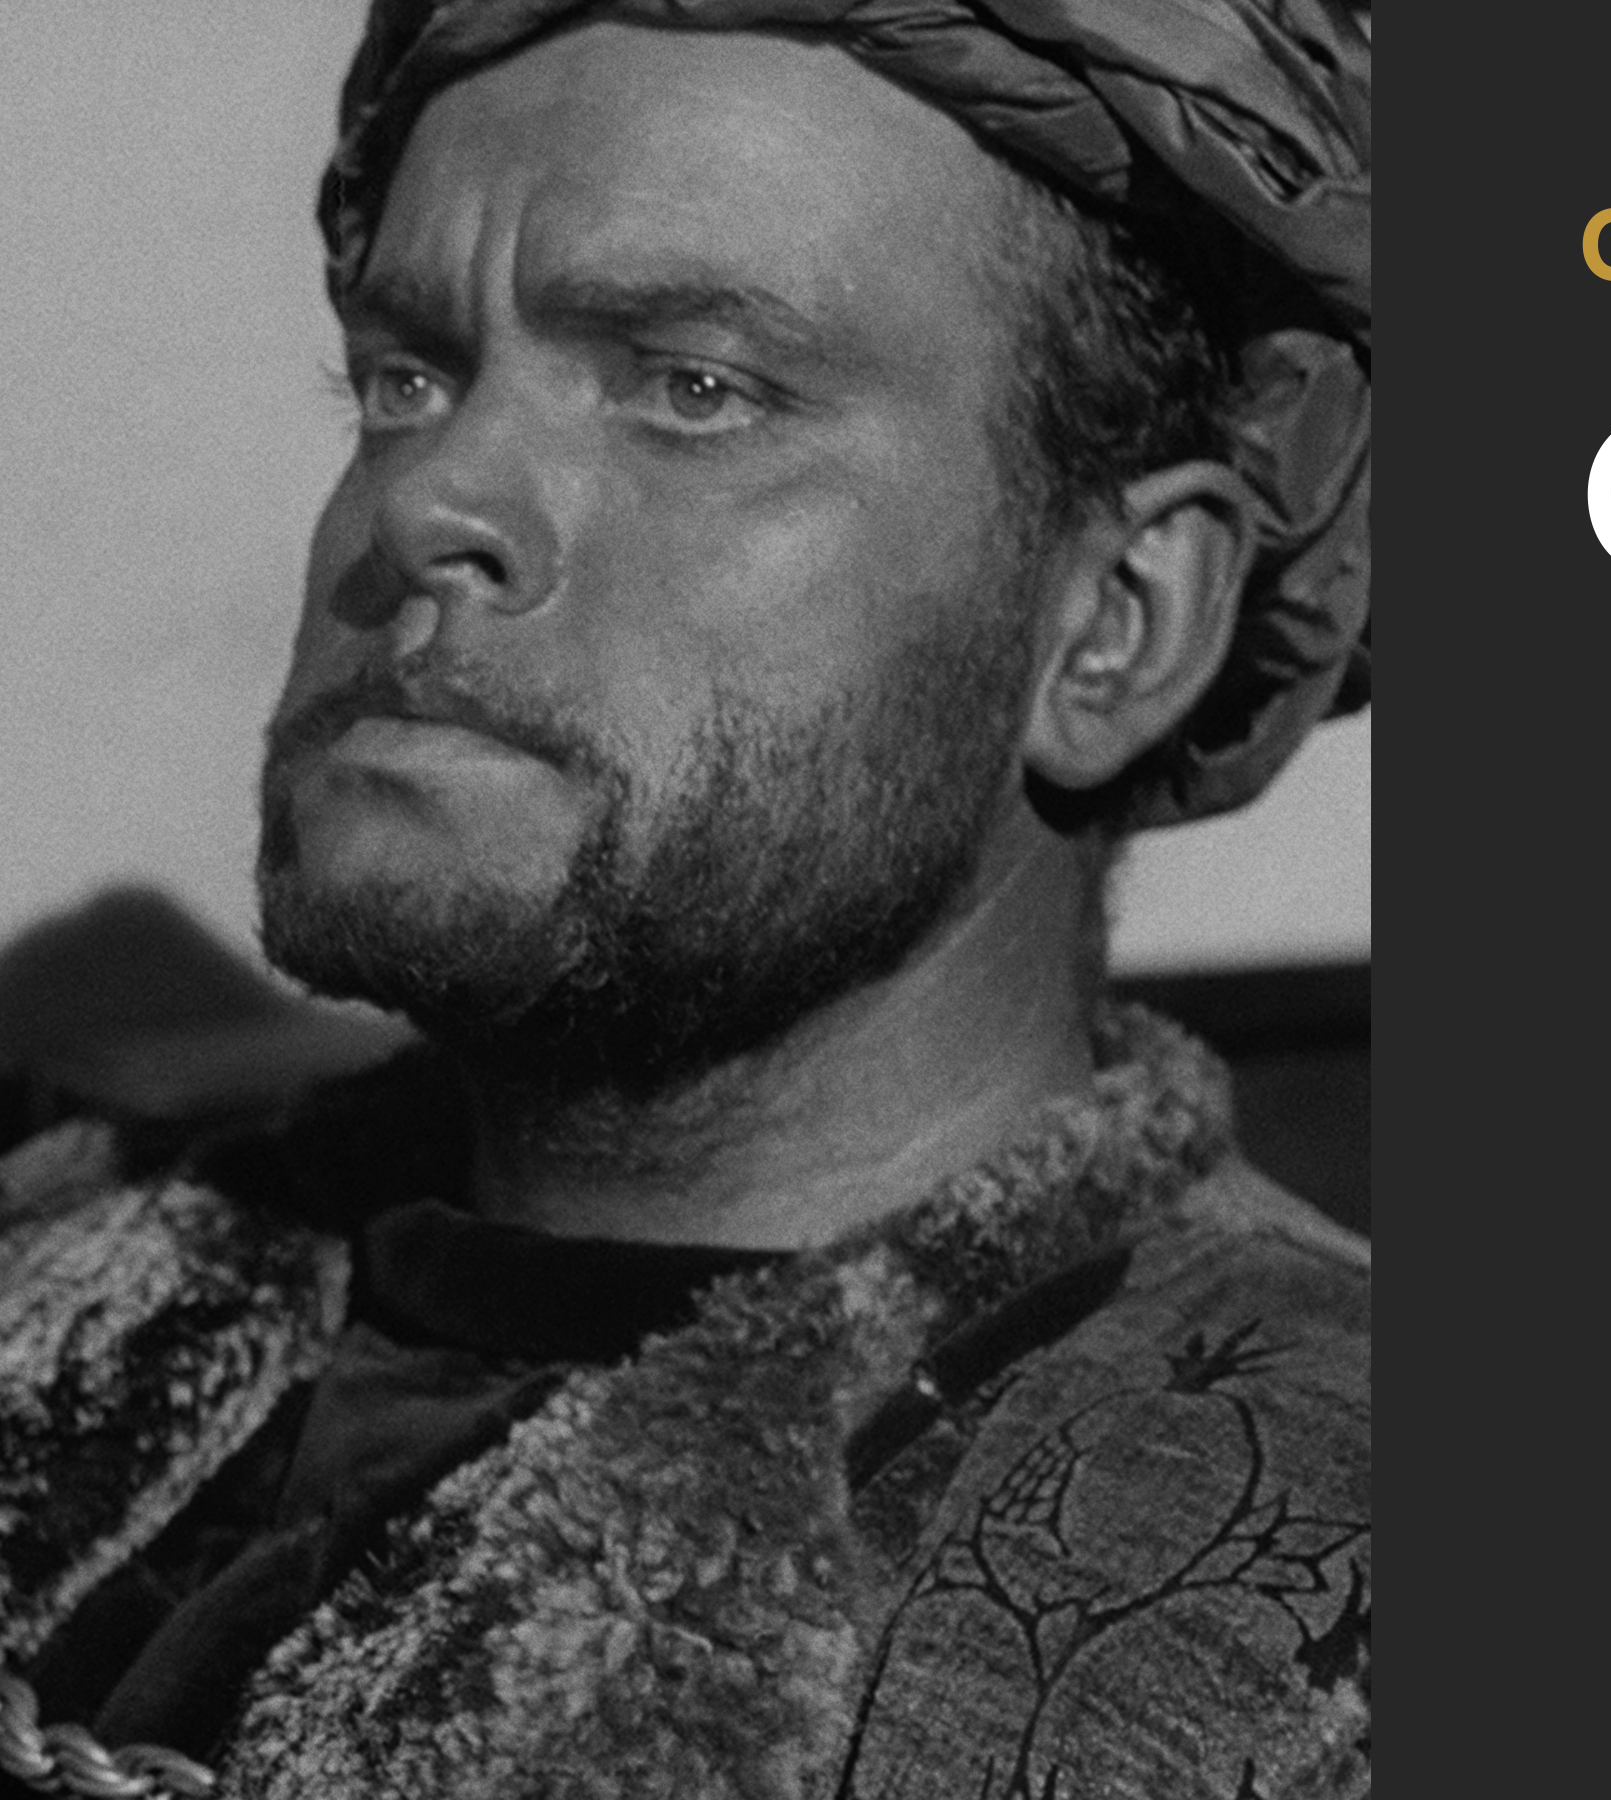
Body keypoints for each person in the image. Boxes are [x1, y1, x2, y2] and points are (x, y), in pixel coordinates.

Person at [0, 2, 1371, 1794]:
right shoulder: (62, 1245)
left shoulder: (1328, 1612)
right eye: (406, 376)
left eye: (694, 390)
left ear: (1117, 625)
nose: (429, 501)